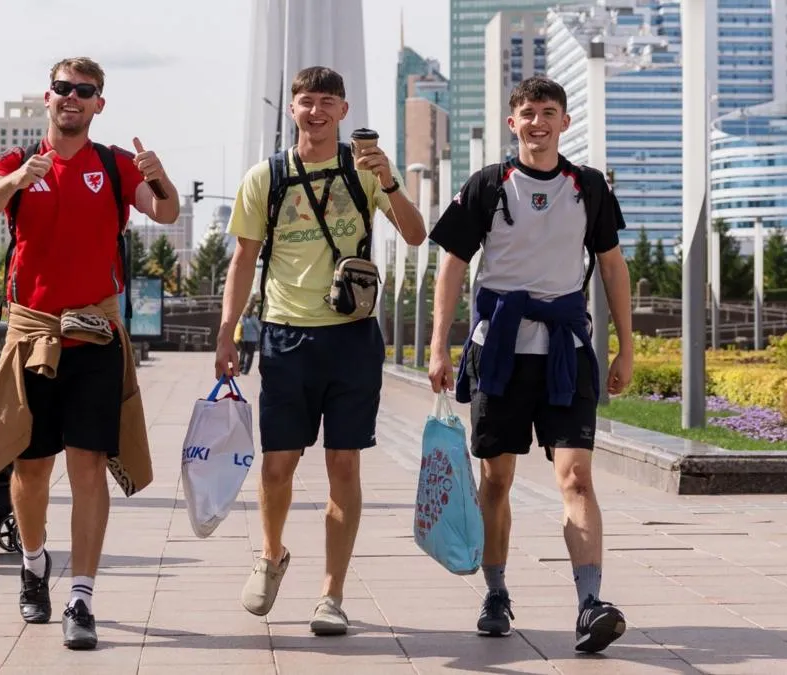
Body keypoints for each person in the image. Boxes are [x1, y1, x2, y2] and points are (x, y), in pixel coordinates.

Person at [0, 56, 178, 650]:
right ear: (48, 97)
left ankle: (82, 597)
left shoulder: (111, 166)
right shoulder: (17, 162)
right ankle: (34, 562)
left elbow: (165, 211)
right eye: (63, 89)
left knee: (88, 468)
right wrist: (18, 180)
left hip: (94, 336)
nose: (72, 98)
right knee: (31, 469)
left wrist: (160, 176)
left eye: (84, 91)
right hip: (33, 335)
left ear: (97, 104)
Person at [215, 66, 426, 636]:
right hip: (286, 334)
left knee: (344, 465)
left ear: (344, 110)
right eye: (306, 102)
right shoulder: (268, 177)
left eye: (327, 103)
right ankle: (272, 552)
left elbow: (415, 234)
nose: (316, 112)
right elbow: (243, 259)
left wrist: (392, 183)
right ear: (292, 109)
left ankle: (331, 595)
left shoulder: (366, 173)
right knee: (278, 464)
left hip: (353, 335)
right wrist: (228, 329)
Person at [426, 76, 634, 653]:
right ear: (511, 122)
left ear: (565, 122)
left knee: (577, 476)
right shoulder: (488, 186)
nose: (538, 122)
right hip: (499, 354)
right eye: (527, 113)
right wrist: (440, 346)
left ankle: (591, 603)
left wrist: (626, 346)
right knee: (496, 479)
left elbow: (613, 268)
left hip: (566, 352)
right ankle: (496, 592)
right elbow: (451, 267)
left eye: (548, 112)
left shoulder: (588, 187)